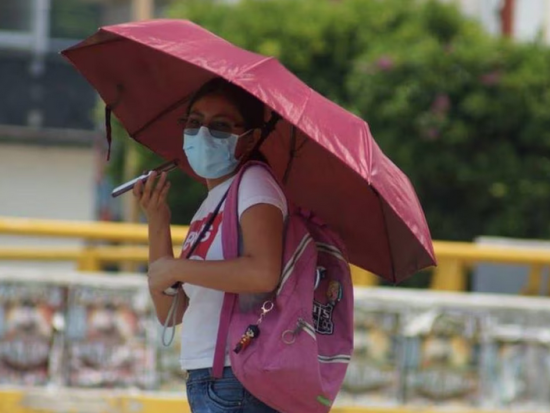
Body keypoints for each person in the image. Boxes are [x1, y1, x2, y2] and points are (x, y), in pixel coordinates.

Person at [133, 78, 286, 413]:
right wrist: (157, 219)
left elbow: (263, 273)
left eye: (220, 126)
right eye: (194, 122)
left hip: (237, 375)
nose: (202, 134)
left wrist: (177, 268)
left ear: (251, 138)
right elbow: (172, 312)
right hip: (210, 376)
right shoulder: (212, 202)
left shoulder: (255, 184)